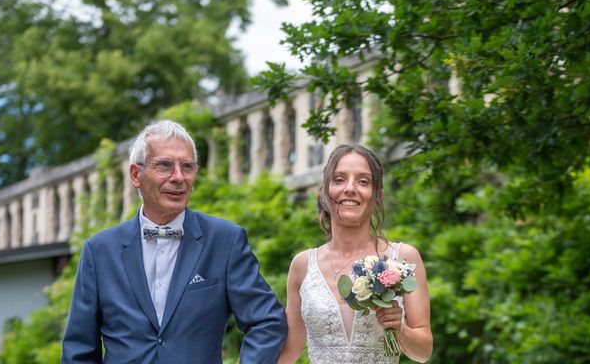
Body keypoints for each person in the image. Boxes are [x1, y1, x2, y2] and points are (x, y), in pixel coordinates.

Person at [61, 119, 287, 363]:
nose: (178, 177)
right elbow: (79, 350)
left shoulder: (225, 240)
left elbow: (267, 321)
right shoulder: (99, 251)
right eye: (165, 166)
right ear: (136, 175)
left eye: (187, 167)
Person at [279, 144, 432, 363]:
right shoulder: (302, 265)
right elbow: (289, 351)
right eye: (339, 179)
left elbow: (424, 352)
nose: (350, 188)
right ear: (324, 192)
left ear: (376, 195)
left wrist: (400, 329)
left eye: (363, 181)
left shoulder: (403, 258)